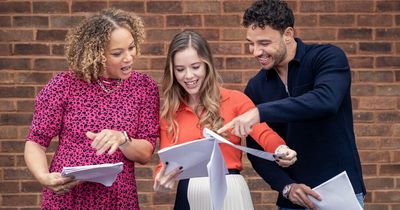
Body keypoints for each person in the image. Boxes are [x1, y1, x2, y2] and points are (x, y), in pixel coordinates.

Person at [217, 0, 366, 209]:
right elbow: (256, 149)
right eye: (251, 43)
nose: (255, 51)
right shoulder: (256, 86)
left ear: (287, 34)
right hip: (292, 200)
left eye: (264, 43)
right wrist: (286, 187)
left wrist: (259, 112)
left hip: (341, 193)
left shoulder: (327, 58)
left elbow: (326, 100)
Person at [24, 8, 159, 209]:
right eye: (117, 53)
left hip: (118, 199)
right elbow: (36, 142)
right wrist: (44, 177)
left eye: (131, 48)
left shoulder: (144, 87)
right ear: (97, 54)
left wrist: (123, 138)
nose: (129, 57)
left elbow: (146, 153)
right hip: (69, 197)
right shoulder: (64, 85)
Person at [152, 30, 297, 210]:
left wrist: (280, 148)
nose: (188, 76)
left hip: (231, 191)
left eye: (195, 67)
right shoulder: (170, 114)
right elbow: (165, 162)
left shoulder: (235, 100)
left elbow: (263, 132)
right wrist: (161, 178)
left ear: (207, 65)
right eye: (180, 69)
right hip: (188, 194)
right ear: (172, 71)